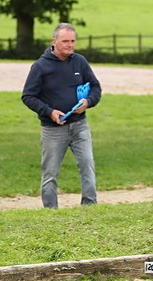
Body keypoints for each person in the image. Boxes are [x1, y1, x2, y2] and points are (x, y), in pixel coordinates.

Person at [21, 23, 102, 208]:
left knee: (87, 163)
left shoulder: (80, 62)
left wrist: (88, 102)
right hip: (53, 129)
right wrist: (49, 111)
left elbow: (95, 87)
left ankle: (90, 205)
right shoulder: (40, 66)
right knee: (50, 171)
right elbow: (28, 96)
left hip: (80, 125)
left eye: (72, 41)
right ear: (54, 41)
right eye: (65, 41)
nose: (70, 45)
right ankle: (51, 209)